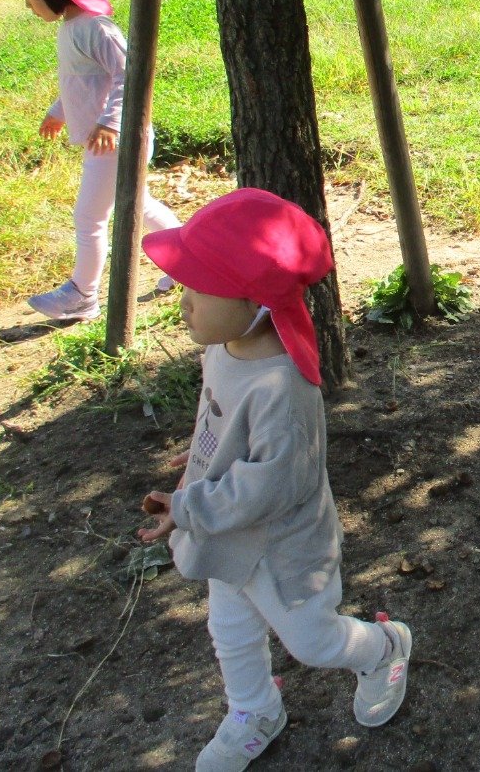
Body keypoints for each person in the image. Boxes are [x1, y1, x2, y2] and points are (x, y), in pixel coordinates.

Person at [136, 188, 412, 771]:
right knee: (230, 629)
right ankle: (254, 709)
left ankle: (384, 646)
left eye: (199, 289)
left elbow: (271, 486)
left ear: (256, 300)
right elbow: (218, 428)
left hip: (283, 547)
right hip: (229, 532)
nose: (184, 303)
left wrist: (187, 508)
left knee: (313, 641)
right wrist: (197, 474)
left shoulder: (281, 389)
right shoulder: (225, 349)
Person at [0, 0, 180, 321]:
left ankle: (83, 294)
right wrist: (59, 110)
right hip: (107, 142)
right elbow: (82, 82)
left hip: (117, 141)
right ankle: (187, 262)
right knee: (140, 204)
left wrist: (111, 123)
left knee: (89, 217)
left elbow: (131, 75)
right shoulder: (72, 27)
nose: (28, 4)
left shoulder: (96, 29)